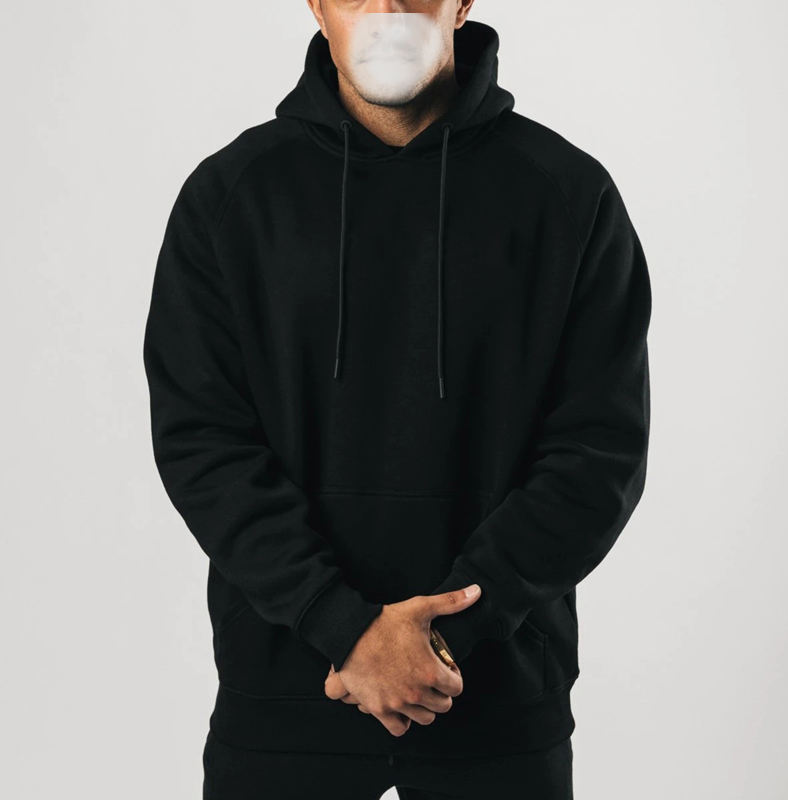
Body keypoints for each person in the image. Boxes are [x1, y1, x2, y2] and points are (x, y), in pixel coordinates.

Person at [142, 1, 652, 797]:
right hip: (286, 694)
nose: (385, 9)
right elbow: (202, 439)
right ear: (316, 6)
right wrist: (341, 626)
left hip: (496, 700)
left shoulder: (566, 195)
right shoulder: (232, 196)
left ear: (463, 2)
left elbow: (598, 451)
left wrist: (446, 636)